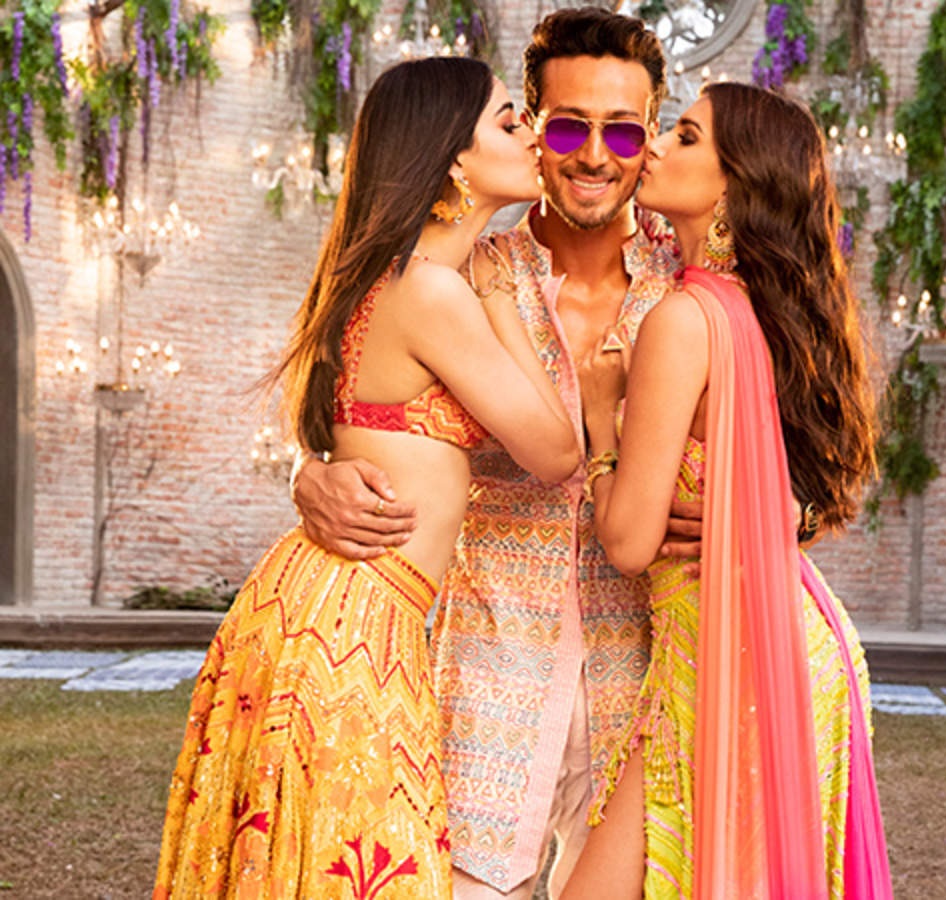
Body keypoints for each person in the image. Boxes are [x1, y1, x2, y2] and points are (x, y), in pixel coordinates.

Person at [153, 56, 579, 899]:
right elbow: (555, 451)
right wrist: (499, 297)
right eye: (508, 120)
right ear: (453, 160)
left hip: (320, 605)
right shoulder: (432, 290)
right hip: (356, 624)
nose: (533, 134)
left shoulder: (388, 276)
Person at [291, 10, 685, 898]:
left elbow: (798, 451)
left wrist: (792, 513)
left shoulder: (693, 287)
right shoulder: (462, 268)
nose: (595, 156)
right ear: (533, 128)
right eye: (568, 127)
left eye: (624, 131)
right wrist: (306, 471)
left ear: (651, 136)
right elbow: (346, 392)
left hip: (645, 677)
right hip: (482, 676)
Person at [562, 84, 893, 899]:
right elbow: (800, 484)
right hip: (791, 640)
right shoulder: (769, 314)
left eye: (684, 136)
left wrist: (600, 422)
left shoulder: (684, 320)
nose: (654, 146)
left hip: (728, 658)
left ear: (735, 181)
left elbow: (630, 542)